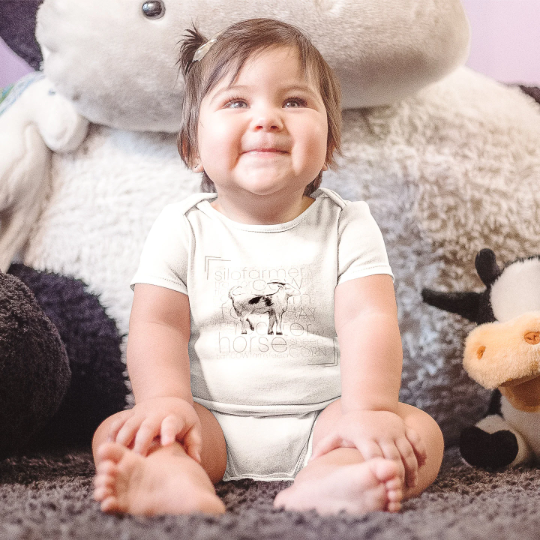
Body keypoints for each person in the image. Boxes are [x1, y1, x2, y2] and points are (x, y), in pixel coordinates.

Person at [92, 18, 444, 516]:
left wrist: (368, 411)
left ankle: (334, 479)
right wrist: (165, 402)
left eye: (294, 101)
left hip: (328, 422)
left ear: (330, 144)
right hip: (207, 421)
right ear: (192, 148)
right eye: (237, 102)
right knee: (120, 430)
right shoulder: (181, 227)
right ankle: (174, 479)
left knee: (418, 432)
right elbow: (156, 323)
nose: (267, 118)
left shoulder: (349, 225)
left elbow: (370, 320)